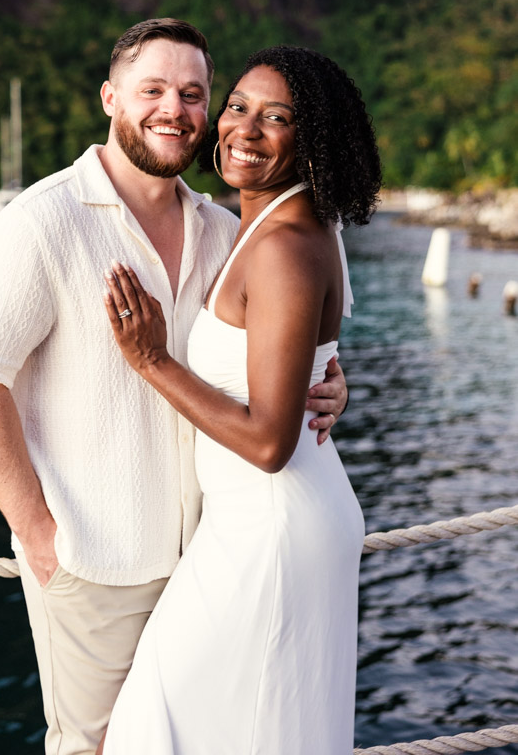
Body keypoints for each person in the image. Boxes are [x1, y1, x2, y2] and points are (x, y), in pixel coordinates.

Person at [0, 20, 348, 755]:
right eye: (152, 90)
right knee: (97, 748)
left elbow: (267, 355)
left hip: (212, 554)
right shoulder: (40, 222)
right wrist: (40, 538)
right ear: (109, 98)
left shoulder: (224, 229)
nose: (176, 109)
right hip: (100, 561)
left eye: (193, 93)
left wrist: (328, 377)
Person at [100, 45, 381, 755]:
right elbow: (297, 363)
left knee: (153, 729)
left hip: (272, 528)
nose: (245, 130)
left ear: (310, 138)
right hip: (260, 524)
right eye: (237, 107)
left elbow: (267, 442)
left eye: (277, 118)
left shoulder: (284, 245)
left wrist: (151, 360)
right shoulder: (262, 226)